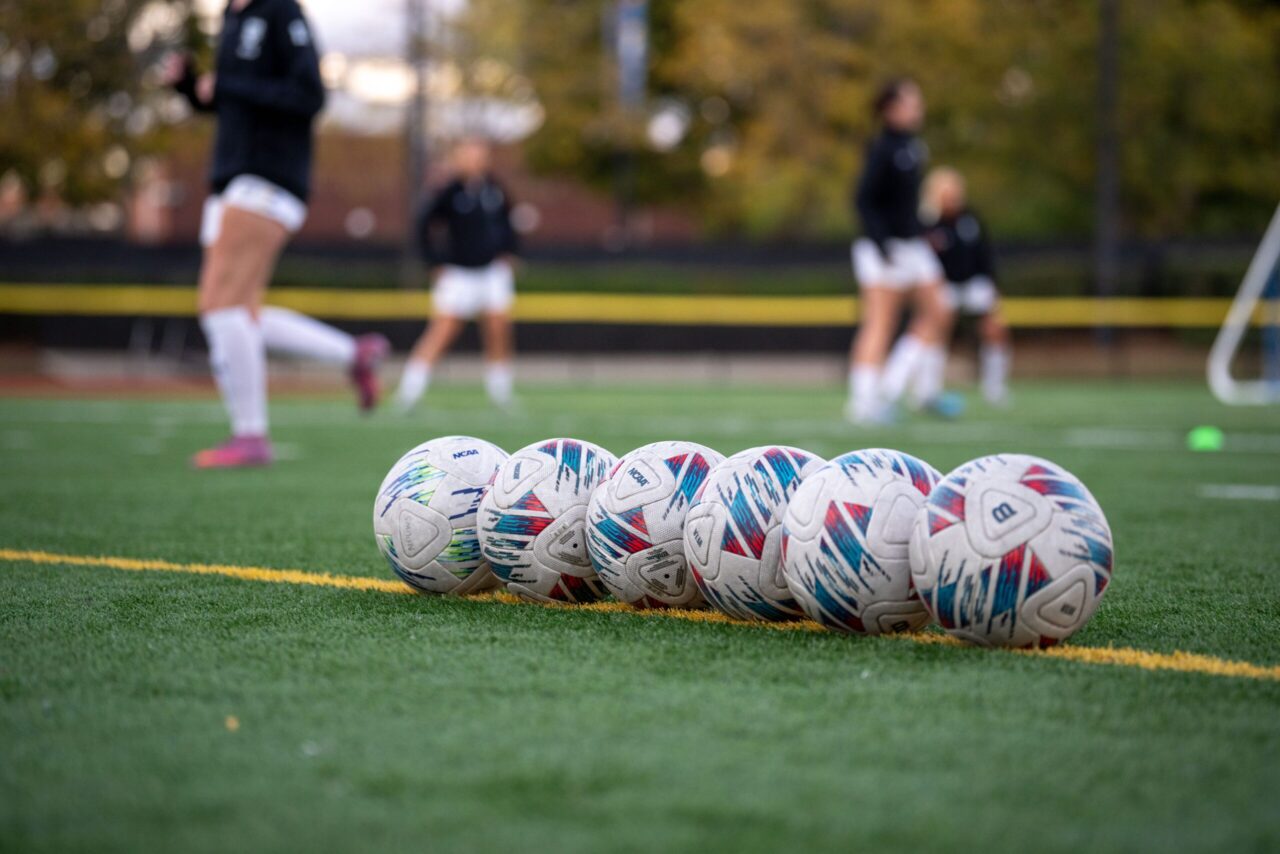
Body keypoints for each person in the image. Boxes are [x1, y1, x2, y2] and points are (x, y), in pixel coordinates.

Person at [165, 0, 388, 469]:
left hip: (267, 177)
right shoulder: (232, 15)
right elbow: (231, 104)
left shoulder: (280, 11)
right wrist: (190, 87)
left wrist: (228, 85)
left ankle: (250, 436)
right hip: (232, 180)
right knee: (234, 312)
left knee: (222, 306)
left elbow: (309, 96)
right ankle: (353, 353)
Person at [846, 78, 949, 425]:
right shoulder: (883, 148)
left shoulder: (914, 147)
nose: (918, 107)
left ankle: (899, 388)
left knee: (940, 310)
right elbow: (863, 200)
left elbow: (906, 206)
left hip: (912, 244)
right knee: (880, 322)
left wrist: (924, 233)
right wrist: (882, 243)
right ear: (892, 109)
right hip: (883, 248)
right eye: (911, 101)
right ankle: (862, 403)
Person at [396, 138, 520, 412]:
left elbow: (509, 222)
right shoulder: (448, 191)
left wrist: (509, 252)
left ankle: (501, 393)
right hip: (458, 273)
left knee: (498, 328)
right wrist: (433, 262)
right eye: (470, 155)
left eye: (480, 155)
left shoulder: (494, 189)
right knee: (443, 329)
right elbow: (423, 225)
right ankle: (410, 391)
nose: (476, 160)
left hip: (491, 273)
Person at [891, 167, 1011, 408]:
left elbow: (984, 256)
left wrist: (993, 287)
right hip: (942, 286)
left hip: (973, 284)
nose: (952, 197)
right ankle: (914, 388)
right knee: (930, 328)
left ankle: (995, 388)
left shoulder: (971, 219)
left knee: (995, 327)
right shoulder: (926, 222)